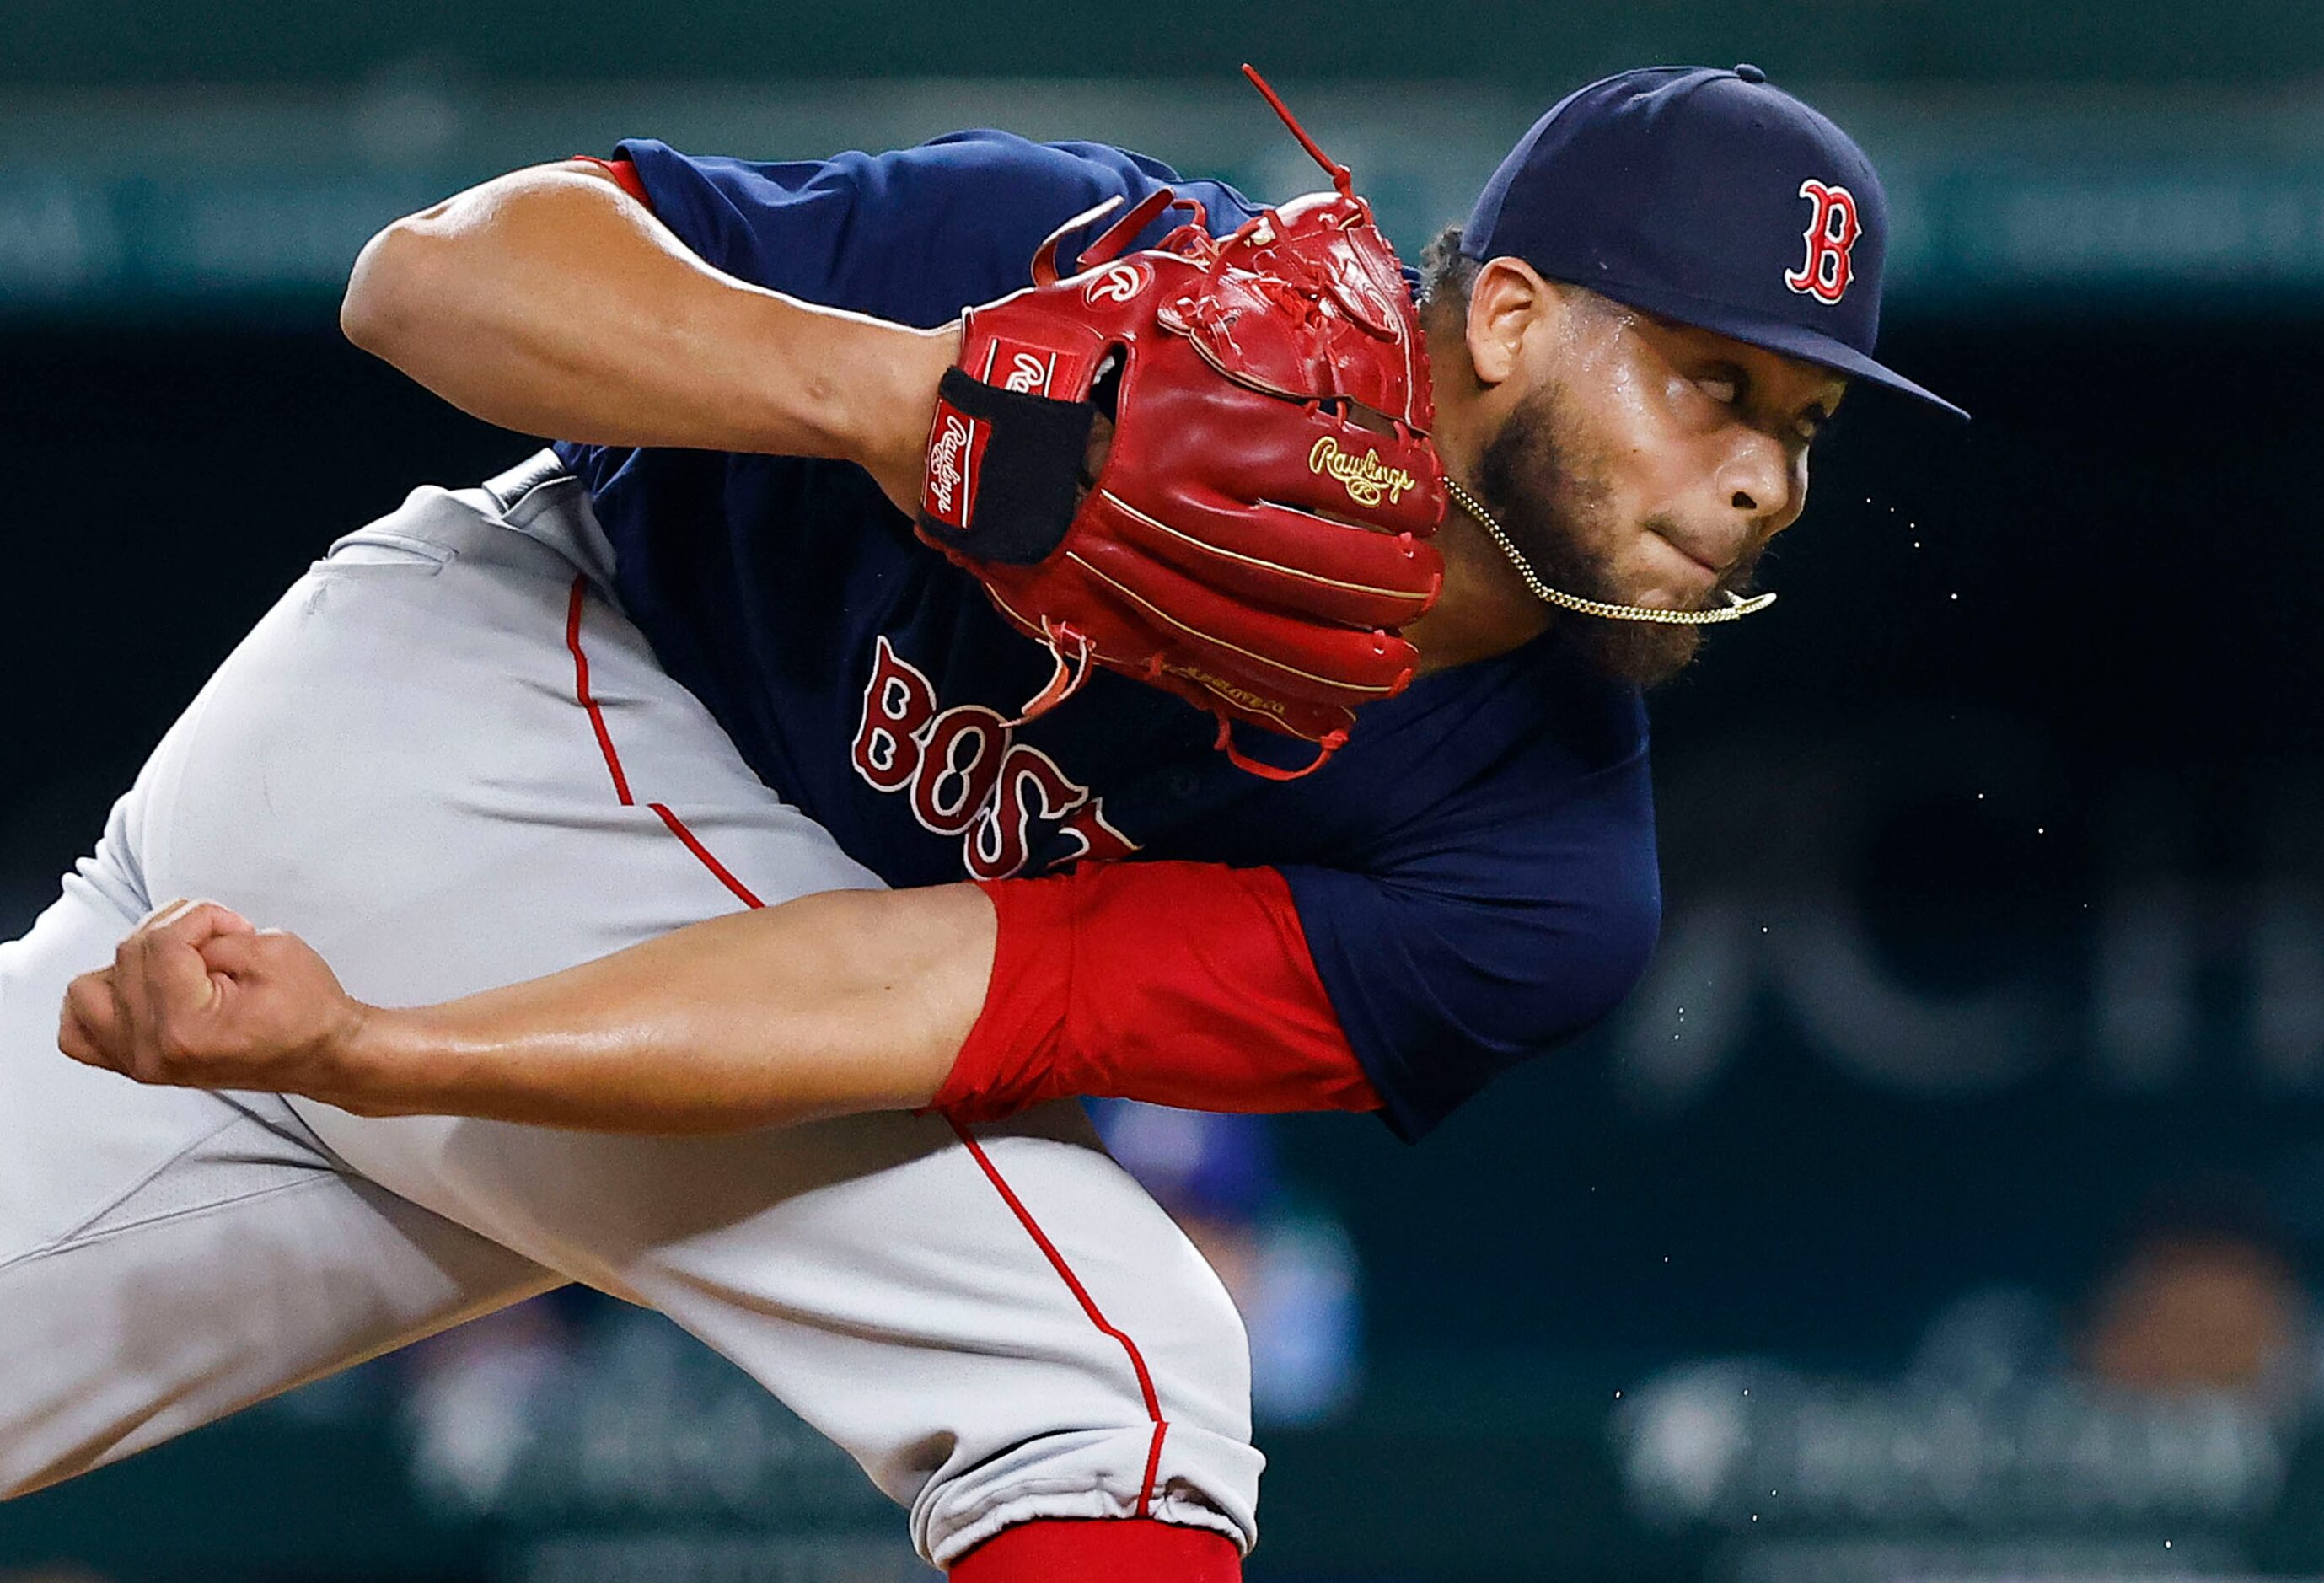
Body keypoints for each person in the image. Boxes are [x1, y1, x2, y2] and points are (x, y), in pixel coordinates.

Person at [2, 64, 1960, 1580]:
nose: (1759, 478)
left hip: (533, 971)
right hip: (508, 683)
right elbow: (426, 281)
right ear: (1513, 317)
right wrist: (900, 399)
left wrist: (374, 1051)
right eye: (1710, 382)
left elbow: (930, 991)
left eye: (1799, 424)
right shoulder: (1094, 262)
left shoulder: (1535, 880)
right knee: (1102, 1383)